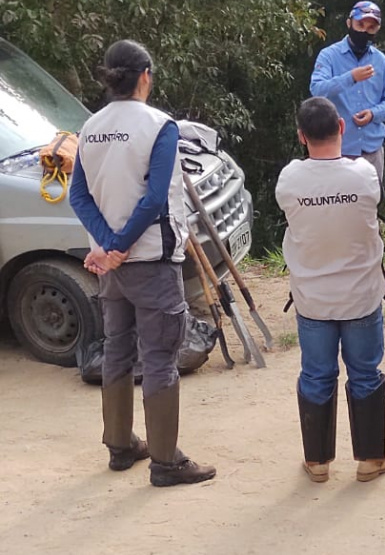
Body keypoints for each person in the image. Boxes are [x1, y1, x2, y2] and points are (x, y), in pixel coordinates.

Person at [69, 40, 216, 487]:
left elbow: (79, 195)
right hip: (151, 258)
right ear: (145, 75)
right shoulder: (160, 126)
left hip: (108, 264)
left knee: (117, 347)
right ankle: (166, 461)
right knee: (158, 356)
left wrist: (110, 246)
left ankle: (120, 444)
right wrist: (124, 244)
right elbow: (155, 198)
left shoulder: (89, 127)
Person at [276, 97, 385, 483]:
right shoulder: (363, 175)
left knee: (316, 375)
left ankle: (317, 462)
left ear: (301, 136)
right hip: (361, 295)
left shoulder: (289, 180)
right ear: (342, 128)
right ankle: (369, 459)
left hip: (312, 297)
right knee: (365, 373)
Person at [310, 1, 385, 187]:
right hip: (337, 151)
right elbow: (317, 89)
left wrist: (374, 113)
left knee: (370, 206)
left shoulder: (380, 60)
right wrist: (350, 77)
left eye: (371, 28)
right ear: (349, 23)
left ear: (377, 29)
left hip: (371, 150)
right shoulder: (329, 56)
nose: (364, 32)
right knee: (337, 207)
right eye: (360, 25)